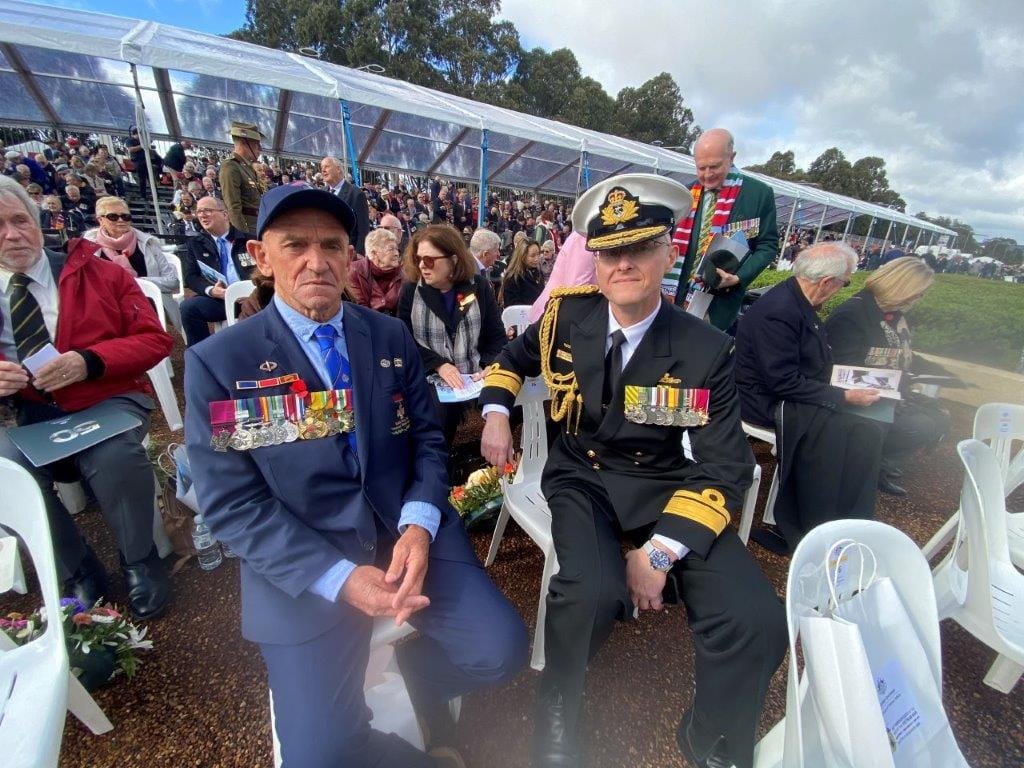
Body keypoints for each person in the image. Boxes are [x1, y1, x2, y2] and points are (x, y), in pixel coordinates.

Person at [183, 184, 527, 768]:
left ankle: (421, 675)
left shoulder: (388, 335)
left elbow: (427, 440)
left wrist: (419, 524)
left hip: (407, 536)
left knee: (501, 653)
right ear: (261, 257)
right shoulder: (223, 362)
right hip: (303, 563)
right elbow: (232, 503)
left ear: (350, 257)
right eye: (295, 245)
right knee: (319, 756)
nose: (316, 261)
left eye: (331, 246)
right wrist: (340, 578)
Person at [479, 173, 786, 768]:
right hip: (582, 477)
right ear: (594, 262)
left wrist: (660, 554)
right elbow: (509, 361)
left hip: (664, 485)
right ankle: (558, 711)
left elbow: (726, 465)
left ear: (668, 254)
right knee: (587, 594)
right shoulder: (567, 316)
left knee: (756, 620)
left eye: (640, 248)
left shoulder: (704, 349)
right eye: (609, 252)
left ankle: (711, 733)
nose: (622, 264)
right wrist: (495, 413)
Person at [0, 176, 174, 619]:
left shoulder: (101, 273)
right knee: (4, 473)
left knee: (113, 456)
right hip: (27, 412)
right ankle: (76, 567)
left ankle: (140, 559)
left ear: (38, 222)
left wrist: (89, 360)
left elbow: (155, 340)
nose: (12, 234)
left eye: (20, 220)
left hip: (108, 397)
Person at [733, 241, 886, 553]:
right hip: (766, 402)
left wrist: (847, 385)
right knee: (849, 431)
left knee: (868, 428)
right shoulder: (779, 312)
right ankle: (810, 525)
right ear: (827, 282)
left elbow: (809, 364)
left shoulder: (799, 301)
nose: (843, 289)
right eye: (846, 282)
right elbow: (782, 381)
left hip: (791, 392)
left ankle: (842, 520)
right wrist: (843, 396)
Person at [824, 256, 950, 496]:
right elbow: (841, 370)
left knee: (939, 416)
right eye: (918, 292)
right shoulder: (853, 314)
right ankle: (869, 467)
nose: (919, 298)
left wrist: (933, 373)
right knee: (919, 425)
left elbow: (903, 353)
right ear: (902, 287)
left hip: (882, 390)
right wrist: (894, 382)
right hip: (851, 396)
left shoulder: (892, 315)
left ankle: (879, 465)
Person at [397, 225, 506, 448]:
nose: (422, 266)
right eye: (418, 259)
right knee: (439, 415)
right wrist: (438, 365)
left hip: (473, 376)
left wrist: (489, 365)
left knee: (507, 401)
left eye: (429, 260)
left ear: (453, 260)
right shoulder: (411, 291)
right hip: (430, 378)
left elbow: (497, 337)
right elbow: (405, 342)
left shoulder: (479, 286)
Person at [667, 128, 778, 331]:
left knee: (705, 348)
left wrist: (738, 277)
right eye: (701, 168)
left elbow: (768, 245)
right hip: (675, 296)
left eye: (715, 166)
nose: (707, 175)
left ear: (732, 157)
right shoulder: (686, 194)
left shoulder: (758, 194)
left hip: (718, 302)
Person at [179, 197, 255, 346]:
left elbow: (269, 272)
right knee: (188, 308)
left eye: (207, 210)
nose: (202, 215)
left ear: (225, 214)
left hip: (253, 298)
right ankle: (202, 354)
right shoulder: (196, 244)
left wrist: (254, 293)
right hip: (220, 299)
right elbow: (191, 277)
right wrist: (212, 291)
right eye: (199, 212)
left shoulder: (249, 241)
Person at [83, 196, 179, 296]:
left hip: (149, 300)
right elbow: (86, 284)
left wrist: (138, 282)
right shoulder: (89, 248)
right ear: (100, 220)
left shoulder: (148, 242)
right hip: (107, 302)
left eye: (125, 216)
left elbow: (172, 281)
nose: (121, 220)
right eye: (113, 216)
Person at [528, 231, 595, 323]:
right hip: (554, 316)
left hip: (559, 312)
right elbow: (576, 291)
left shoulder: (583, 236)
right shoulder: (583, 238)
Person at [320, 156, 371, 257]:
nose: (323, 170)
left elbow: (363, 227)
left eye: (327, 166)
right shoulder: (321, 193)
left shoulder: (356, 194)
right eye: (321, 168)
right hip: (324, 251)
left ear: (338, 169)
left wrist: (359, 253)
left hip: (346, 253)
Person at [219, 121, 265, 233]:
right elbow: (233, 206)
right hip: (248, 230)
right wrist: (242, 235)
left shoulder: (247, 168)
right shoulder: (230, 167)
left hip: (257, 226)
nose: (259, 149)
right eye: (256, 144)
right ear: (244, 143)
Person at [348, 227, 403, 315]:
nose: (396, 253)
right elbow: (358, 309)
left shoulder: (403, 275)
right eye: (391, 249)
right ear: (374, 253)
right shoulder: (355, 271)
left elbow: (404, 310)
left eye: (396, 249)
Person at [497, 240, 544, 308]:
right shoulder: (513, 277)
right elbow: (512, 304)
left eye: (538, 254)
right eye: (532, 256)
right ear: (522, 256)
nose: (537, 259)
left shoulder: (538, 273)